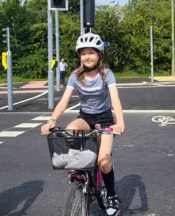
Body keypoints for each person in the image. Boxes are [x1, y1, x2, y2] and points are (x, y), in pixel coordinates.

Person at [41, 32, 125, 216]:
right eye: (83, 53)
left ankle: (111, 195)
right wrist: (51, 121)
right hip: (86, 117)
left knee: (103, 162)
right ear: (79, 56)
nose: (87, 56)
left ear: (99, 55)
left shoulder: (106, 74)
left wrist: (120, 122)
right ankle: (82, 173)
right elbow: (64, 101)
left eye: (91, 52)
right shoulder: (75, 76)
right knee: (71, 129)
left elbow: (115, 99)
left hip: (104, 119)